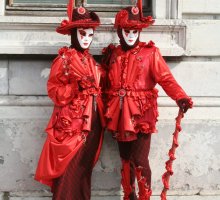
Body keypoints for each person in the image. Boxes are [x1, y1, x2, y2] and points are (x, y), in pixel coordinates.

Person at [102, 0, 193, 199]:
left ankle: (144, 197)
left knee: (140, 159)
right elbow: (104, 83)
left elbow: (166, 78)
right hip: (118, 114)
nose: (131, 36)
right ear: (120, 32)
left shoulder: (151, 53)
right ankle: (129, 195)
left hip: (141, 115)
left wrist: (181, 97)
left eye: (135, 32)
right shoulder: (113, 54)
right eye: (127, 31)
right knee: (125, 158)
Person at [35, 1, 105, 199]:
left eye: (90, 35)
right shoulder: (64, 59)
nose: (86, 39)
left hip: (93, 124)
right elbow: (54, 91)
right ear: (73, 33)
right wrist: (76, 87)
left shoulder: (90, 60)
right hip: (72, 127)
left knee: (84, 170)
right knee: (69, 171)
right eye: (82, 34)